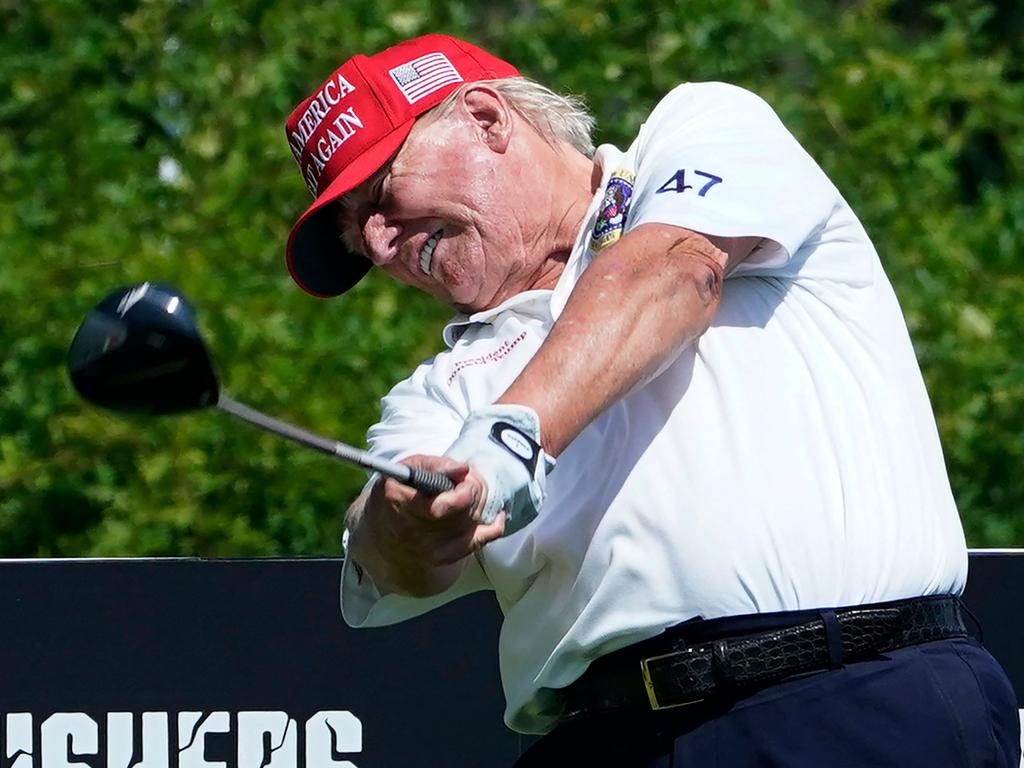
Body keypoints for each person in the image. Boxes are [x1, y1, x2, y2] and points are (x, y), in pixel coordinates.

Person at [283, 33, 1020, 766]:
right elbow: (384, 553)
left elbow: (675, 274)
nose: (378, 246)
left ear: (486, 117)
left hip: (849, 702)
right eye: (357, 239)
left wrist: (511, 436)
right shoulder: (441, 388)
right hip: (603, 743)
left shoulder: (700, 128)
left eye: (379, 197)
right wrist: (406, 525)